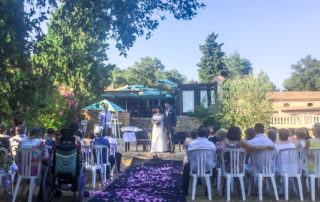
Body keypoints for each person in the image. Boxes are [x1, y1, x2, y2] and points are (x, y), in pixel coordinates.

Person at [182, 126, 216, 196]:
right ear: (208, 135)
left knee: (186, 166)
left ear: (197, 134)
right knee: (215, 167)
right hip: (208, 168)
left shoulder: (190, 144)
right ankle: (208, 189)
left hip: (194, 168)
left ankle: (185, 190)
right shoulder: (212, 145)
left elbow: (188, 158)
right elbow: (214, 159)